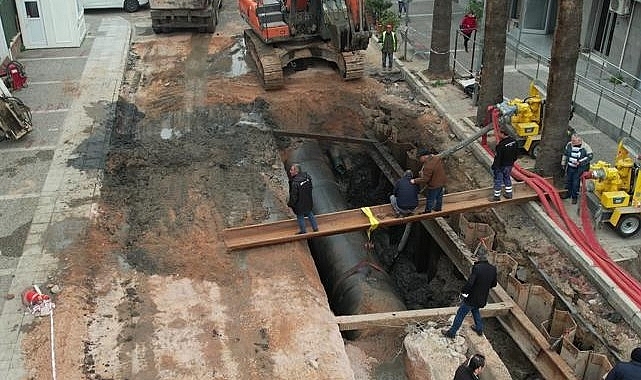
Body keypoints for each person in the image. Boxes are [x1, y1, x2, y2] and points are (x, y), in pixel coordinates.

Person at [442, 244, 497, 338]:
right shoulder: (493, 269)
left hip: (472, 298)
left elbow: (470, 283)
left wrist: (464, 293)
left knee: (461, 313)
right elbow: (494, 284)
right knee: (475, 310)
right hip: (482, 298)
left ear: (478, 257)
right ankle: (479, 328)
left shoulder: (477, 268)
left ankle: (452, 332)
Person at [411, 148, 446, 213]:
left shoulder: (428, 166)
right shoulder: (435, 158)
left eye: (420, 158)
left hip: (434, 185)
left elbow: (425, 179)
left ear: (425, 156)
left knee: (430, 199)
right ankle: (438, 209)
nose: (419, 159)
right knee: (439, 197)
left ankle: (427, 212)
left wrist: (414, 181)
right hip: (441, 181)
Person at [561, 134, 593, 205]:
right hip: (570, 166)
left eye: (574, 141)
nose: (572, 142)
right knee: (568, 180)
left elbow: (589, 157)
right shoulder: (569, 145)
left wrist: (580, 162)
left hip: (579, 168)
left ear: (579, 140)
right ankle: (568, 194)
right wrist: (563, 163)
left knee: (576, 182)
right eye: (572, 140)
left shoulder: (586, 147)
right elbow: (565, 154)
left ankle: (574, 197)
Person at [287, 163, 319, 234]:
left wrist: (290, 204)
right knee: (310, 213)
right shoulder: (307, 177)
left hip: (300, 203)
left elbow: (294, 196)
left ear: (296, 171)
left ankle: (303, 230)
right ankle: (315, 228)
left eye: (292, 170)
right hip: (308, 201)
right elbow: (311, 188)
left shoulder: (295, 182)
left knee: (300, 216)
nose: (290, 171)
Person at [491, 127, 518, 201]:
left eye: (499, 133)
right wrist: (511, 162)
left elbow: (498, 158)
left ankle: (496, 196)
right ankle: (509, 194)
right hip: (509, 165)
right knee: (507, 177)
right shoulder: (514, 141)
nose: (498, 134)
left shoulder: (501, 145)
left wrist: (495, 167)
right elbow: (516, 154)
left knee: (498, 180)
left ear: (503, 134)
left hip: (501, 166)